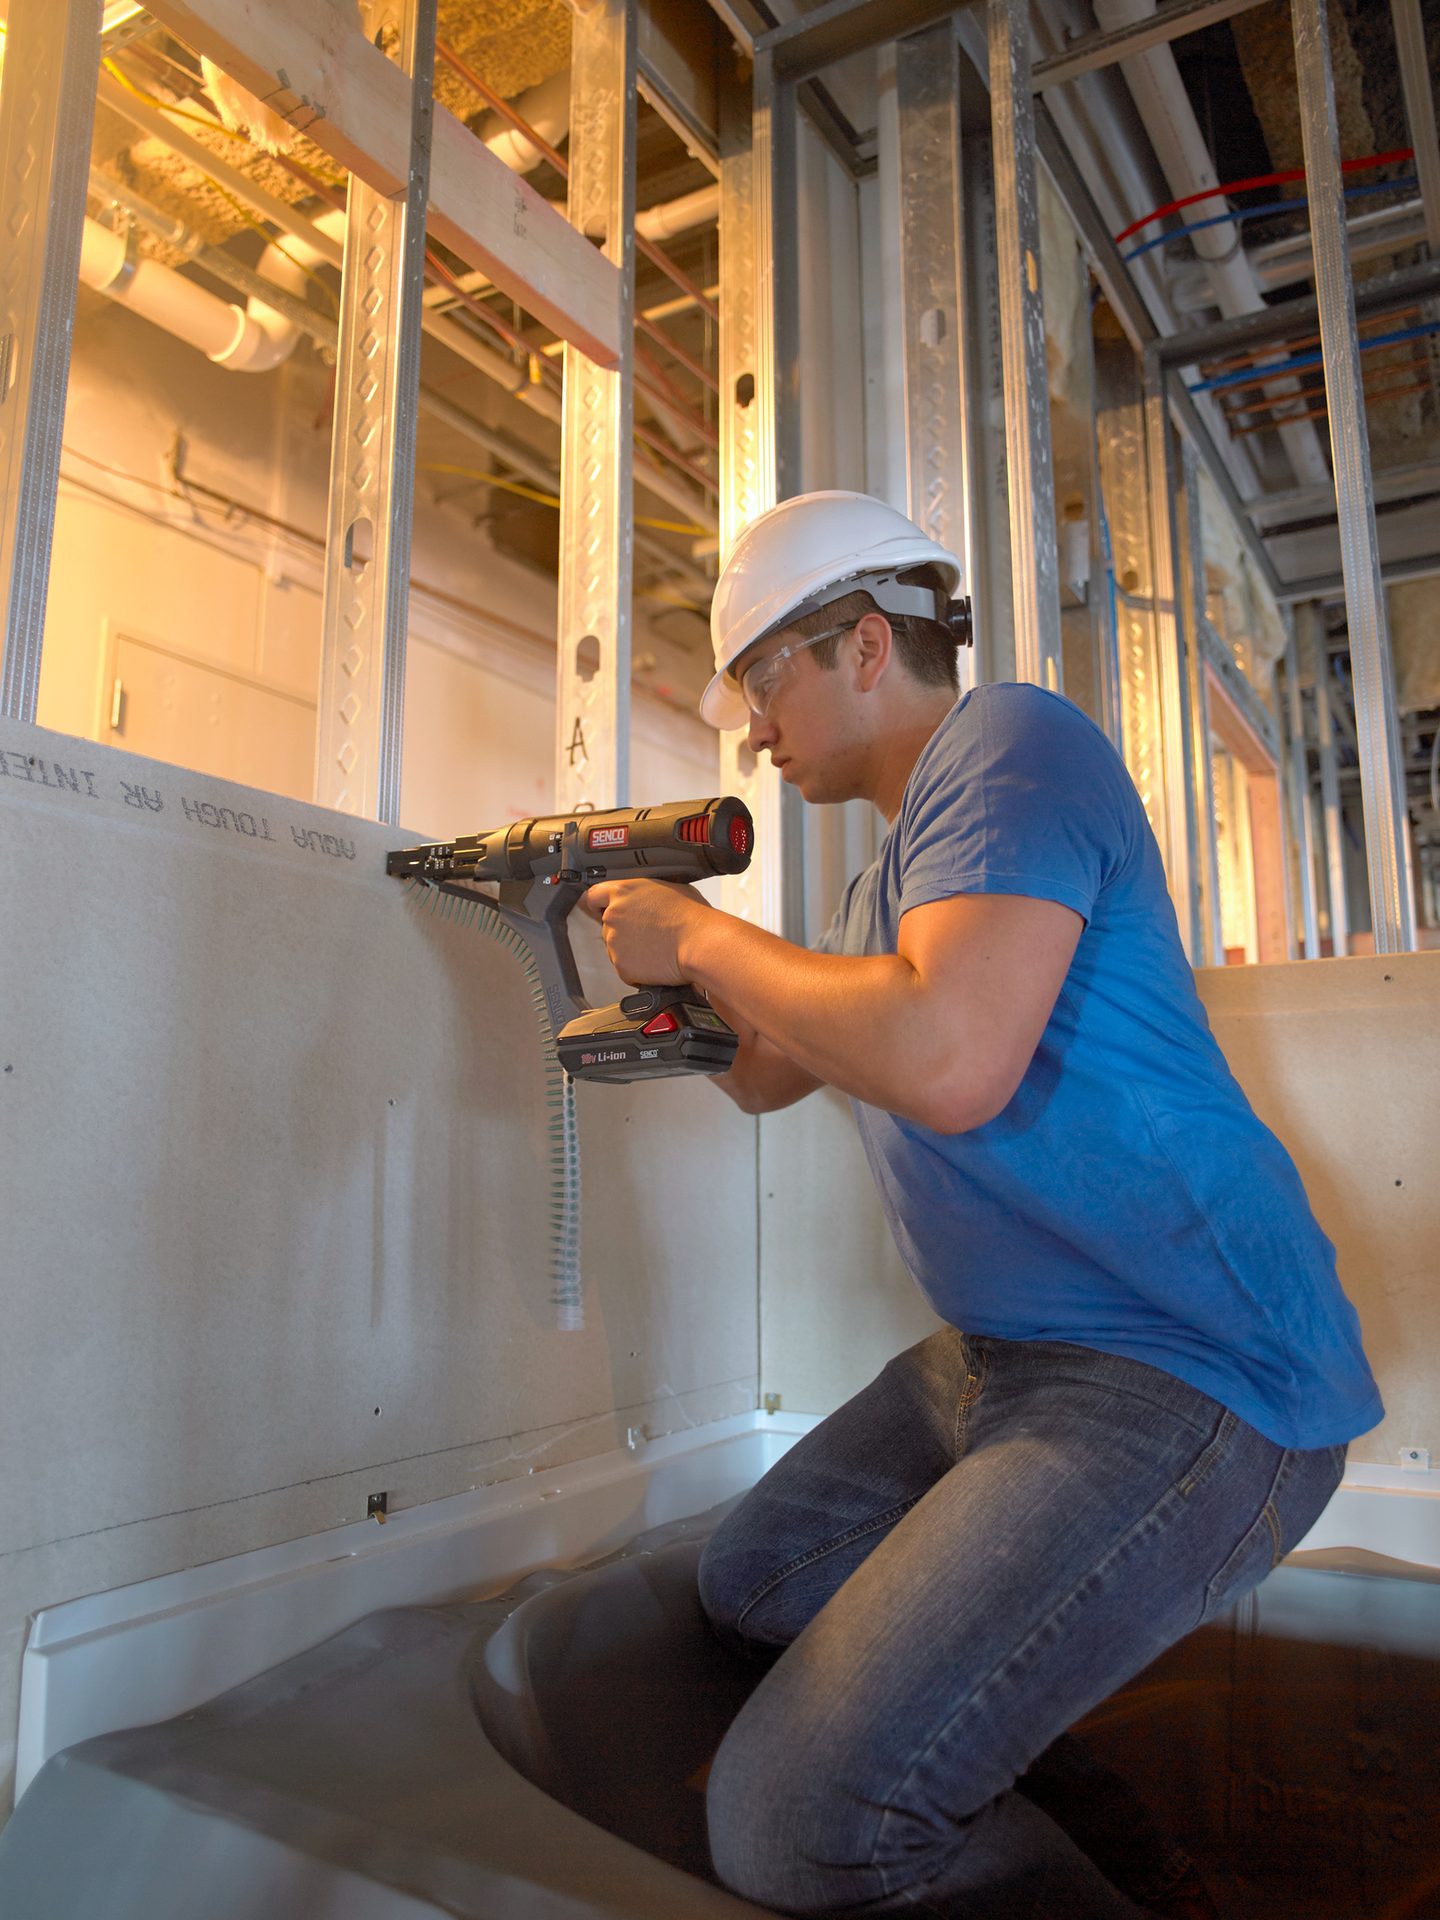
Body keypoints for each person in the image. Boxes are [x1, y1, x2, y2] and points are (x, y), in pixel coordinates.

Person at [579, 491, 1382, 1919]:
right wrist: (648, 974)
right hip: (1005, 1362)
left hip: (1186, 1365)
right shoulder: (886, 880)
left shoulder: (1016, 742)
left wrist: (699, 930)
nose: (753, 730)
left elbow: (944, 1057)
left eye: (762, 682)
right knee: (759, 1579)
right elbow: (772, 1073)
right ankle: (1131, 1867)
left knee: (797, 1823)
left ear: (865, 645)